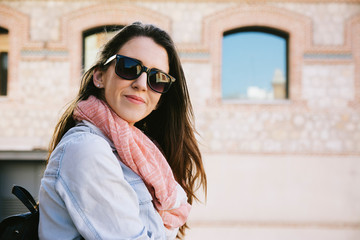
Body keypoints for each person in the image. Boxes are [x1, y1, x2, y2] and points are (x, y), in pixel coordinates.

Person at [38, 22, 207, 240]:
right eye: (128, 67)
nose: (142, 83)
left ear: (159, 100)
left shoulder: (136, 155)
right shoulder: (88, 149)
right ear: (99, 76)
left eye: (157, 78)